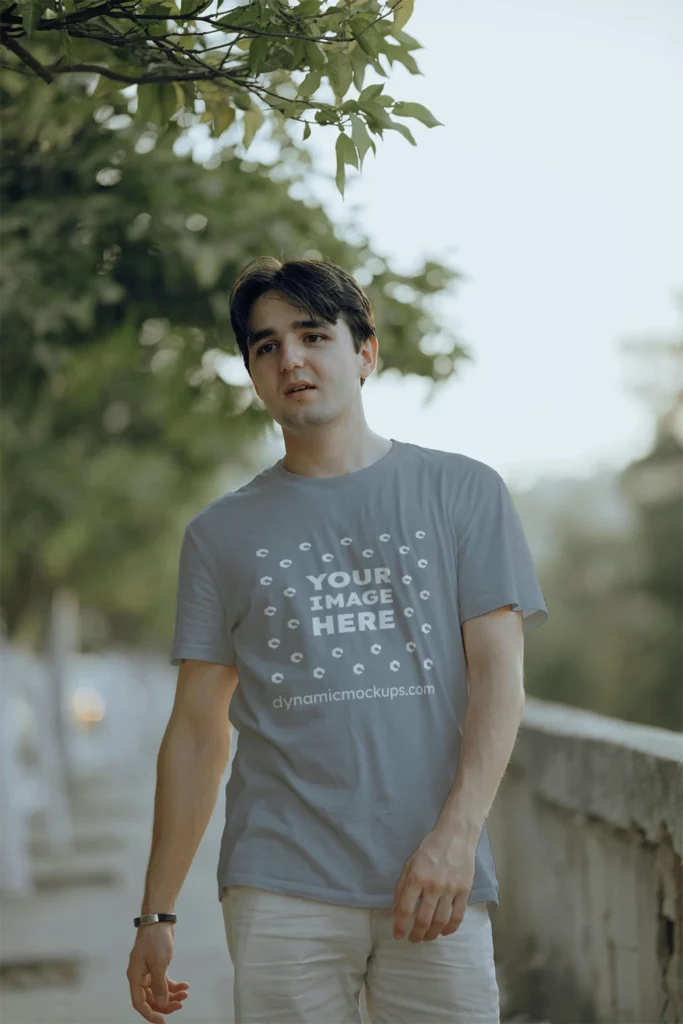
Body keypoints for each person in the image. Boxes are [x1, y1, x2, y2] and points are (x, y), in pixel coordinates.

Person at [127, 255, 549, 1023]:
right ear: (252, 373)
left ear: (364, 353)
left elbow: (498, 682)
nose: (289, 357)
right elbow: (195, 732)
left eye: (312, 335)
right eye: (265, 345)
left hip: (435, 874)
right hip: (279, 882)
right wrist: (155, 914)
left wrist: (455, 839)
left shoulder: (462, 492)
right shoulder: (220, 535)